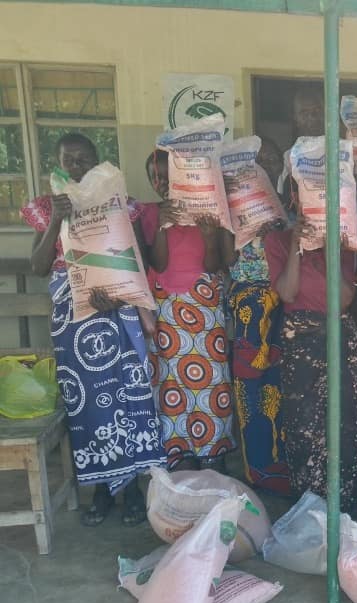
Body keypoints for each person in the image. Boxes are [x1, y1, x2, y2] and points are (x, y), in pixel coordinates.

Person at [23, 133, 164, 526]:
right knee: (87, 405)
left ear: (98, 162)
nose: (77, 167)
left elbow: (138, 260)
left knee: (127, 398)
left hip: (117, 314)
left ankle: (132, 490)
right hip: (73, 323)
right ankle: (101, 490)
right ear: (57, 164)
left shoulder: (120, 203)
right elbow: (38, 266)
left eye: (84, 159)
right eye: (68, 160)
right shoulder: (47, 207)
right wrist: (57, 219)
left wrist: (119, 295)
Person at [264, 216, 357, 517]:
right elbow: (287, 293)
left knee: (345, 419)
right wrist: (297, 245)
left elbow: (344, 299)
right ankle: (309, 507)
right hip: (299, 336)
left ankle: (346, 507)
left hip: (339, 333)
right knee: (304, 424)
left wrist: (331, 252)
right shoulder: (277, 240)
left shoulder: (343, 240)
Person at [142, 150, 235, 471]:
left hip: (204, 304)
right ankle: (179, 451)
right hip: (166, 308)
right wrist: (163, 225)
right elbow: (158, 264)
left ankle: (213, 451)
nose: (162, 183)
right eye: (154, 177)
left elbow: (216, 263)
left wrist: (209, 237)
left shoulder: (209, 207)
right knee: (171, 382)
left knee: (211, 380)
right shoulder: (150, 214)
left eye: (167, 175)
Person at [219, 141, 291, 495]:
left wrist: (280, 233)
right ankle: (259, 469)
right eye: (258, 162)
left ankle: (286, 463)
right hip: (250, 305)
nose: (264, 166)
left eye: (271, 160)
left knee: (281, 385)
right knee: (251, 385)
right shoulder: (233, 208)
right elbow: (226, 261)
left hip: (287, 304)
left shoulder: (293, 205)